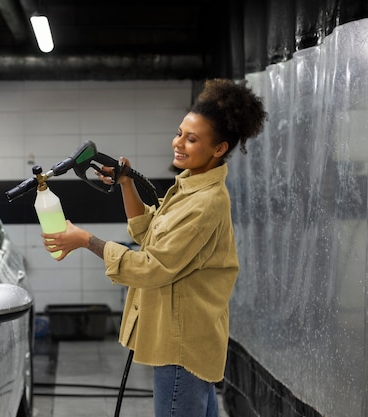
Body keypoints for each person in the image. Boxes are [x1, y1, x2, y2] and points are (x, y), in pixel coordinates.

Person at [41, 78, 267, 417]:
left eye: (192, 139)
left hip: (181, 346)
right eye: (179, 133)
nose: (178, 143)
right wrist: (127, 183)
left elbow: (150, 267)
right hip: (192, 340)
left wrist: (86, 240)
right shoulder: (189, 187)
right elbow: (151, 234)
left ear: (219, 149)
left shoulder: (204, 203)